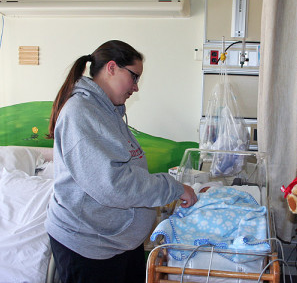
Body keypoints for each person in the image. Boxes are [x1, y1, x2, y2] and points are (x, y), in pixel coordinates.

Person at [44, 40, 197, 283]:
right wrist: (173, 187)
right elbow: (115, 185)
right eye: (134, 77)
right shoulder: (81, 113)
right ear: (112, 68)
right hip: (90, 248)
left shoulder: (109, 112)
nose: (136, 88)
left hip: (118, 242)